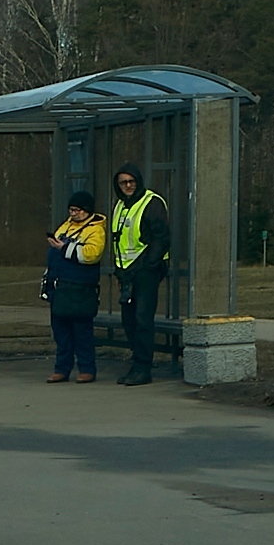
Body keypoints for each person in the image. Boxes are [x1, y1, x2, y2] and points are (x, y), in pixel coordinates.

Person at [110, 162, 169, 386]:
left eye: (131, 181)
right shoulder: (120, 205)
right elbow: (118, 242)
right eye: (123, 182)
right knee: (129, 320)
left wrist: (149, 265)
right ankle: (137, 364)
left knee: (143, 319)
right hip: (127, 271)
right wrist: (120, 272)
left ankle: (143, 368)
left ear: (138, 181)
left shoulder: (152, 202)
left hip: (146, 270)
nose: (128, 186)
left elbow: (161, 237)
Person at [43, 190, 106, 383]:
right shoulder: (66, 226)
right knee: (61, 332)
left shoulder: (95, 230)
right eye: (71, 210)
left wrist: (64, 248)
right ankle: (62, 369)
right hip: (60, 288)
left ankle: (87, 369)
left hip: (81, 288)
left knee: (82, 332)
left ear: (87, 210)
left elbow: (91, 254)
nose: (74, 214)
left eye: (78, 210)